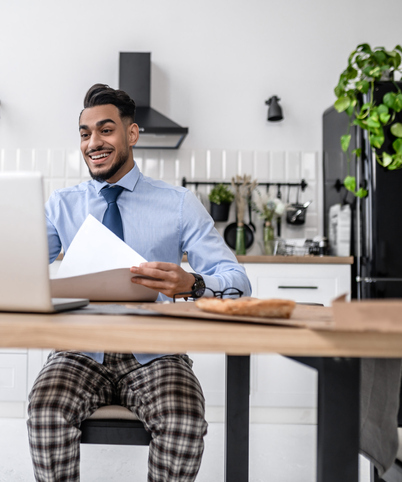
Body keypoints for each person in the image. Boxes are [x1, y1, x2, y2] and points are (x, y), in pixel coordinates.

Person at [27, 83, 251, 482]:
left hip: (157, 351)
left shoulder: (179, 204)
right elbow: (18, 269)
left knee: (184, 421)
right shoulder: (62, 205)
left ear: (131, 134)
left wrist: (192, 283)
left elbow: (237, 281)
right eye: (85, 133)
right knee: (45, 413)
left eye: (106, 130)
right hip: (79, 350)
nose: (93, 142)